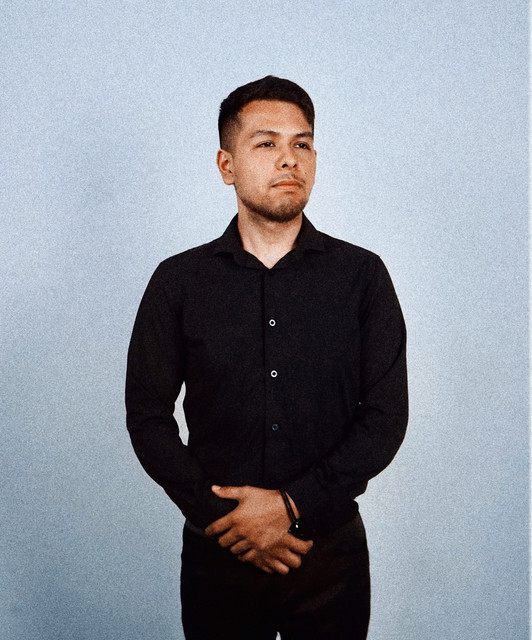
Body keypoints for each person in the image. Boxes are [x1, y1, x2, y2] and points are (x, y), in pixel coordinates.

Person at [125, 75, 408, 640]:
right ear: (226, 166)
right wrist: (225, 520)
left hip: (329, 557)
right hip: (219, 555)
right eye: (267, 143)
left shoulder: (362, 277)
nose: (289, 159)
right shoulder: (178, 282)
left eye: (302, 144)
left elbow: (384, 419)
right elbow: (147, 417)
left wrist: (292, 505)